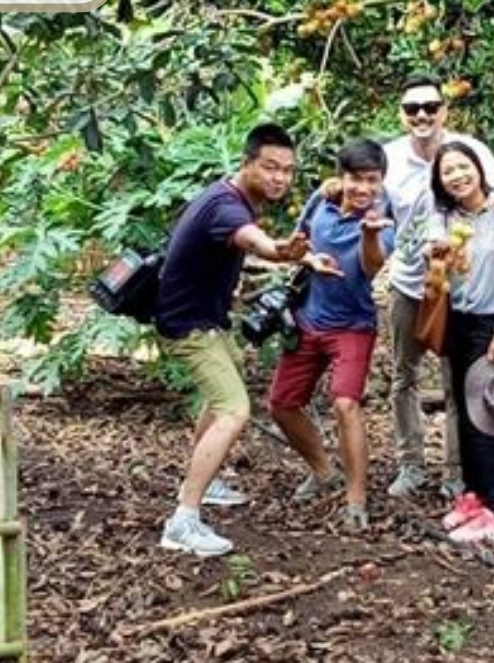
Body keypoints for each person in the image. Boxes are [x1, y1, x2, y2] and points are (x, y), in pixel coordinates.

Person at [156, 123, 309, 557]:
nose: (279, 178)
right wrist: (279, 250)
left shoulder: (232, 196)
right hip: (189, 325)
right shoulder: (227, 207)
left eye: (287, 170)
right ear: (246, 164)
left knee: (227, 386)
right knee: (233, 409)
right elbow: (252, 240)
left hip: (204, 317)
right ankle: (183, 521)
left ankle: (204, 480)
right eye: (270, 167)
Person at [381, 73, 494, 500]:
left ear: (444, 110)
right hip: (409, 283)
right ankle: (411, 464)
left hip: (459, 288)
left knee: (455, 378)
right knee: (403, 375)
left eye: (430, 107)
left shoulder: (468, 151)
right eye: (411, 109)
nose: (421, 115)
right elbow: (370, 206)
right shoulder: (390, 158)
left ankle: (456, 471)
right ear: (402, 115)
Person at [266, 139, 396, 532]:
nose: (364, 189)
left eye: (372, 180)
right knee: (281, 403)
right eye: (357, 179)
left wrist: (370, 234)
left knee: (345, 404)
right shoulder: (321, 201)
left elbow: (373, 267)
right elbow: (298, 243)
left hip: (353, 325)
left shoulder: (382, 214)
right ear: (341, 177)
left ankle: (356, 498)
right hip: (308, 318)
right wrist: (306, 257)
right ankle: (324, 471)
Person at [426, 141, 494, 542]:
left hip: (491, 323)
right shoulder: (447, 216)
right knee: (464, 414)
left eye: (462, 167)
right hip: (459, 321)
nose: (456, 176)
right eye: (447, 171)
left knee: (483, 418)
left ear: (479, 168)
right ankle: (473, 496)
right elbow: (433, 246)